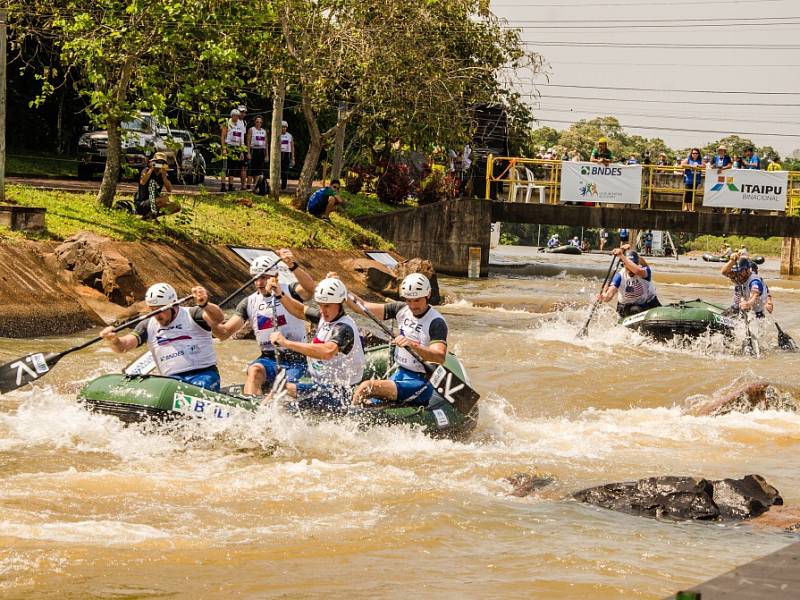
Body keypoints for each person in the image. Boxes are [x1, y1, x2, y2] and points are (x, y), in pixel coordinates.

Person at [211, 251, 315, 395]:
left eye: (264, 278)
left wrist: (292, 265)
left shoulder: (291, 290)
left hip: (296, 358)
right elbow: (224, 333)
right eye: (256, 278)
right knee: (254, 370)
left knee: (286, 388)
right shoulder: (248, 302)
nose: (259, 283)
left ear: (275, 277)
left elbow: (310, 289)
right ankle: (252, 408)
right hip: (268, 358)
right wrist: (209, 319)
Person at [100, 283, 224, 390]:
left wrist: (205, 305)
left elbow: (218, 318)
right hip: (172, 381)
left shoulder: (193, 314)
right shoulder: (147, 324)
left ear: (173, 305)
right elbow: (124, 346)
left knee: (198, 386)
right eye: (153, 310)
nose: (157, 315)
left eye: (161, 309)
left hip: (204, 374)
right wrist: (114, 340)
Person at [349, 274, 447, 407]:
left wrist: (412, 344)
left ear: (428, 295)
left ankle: (350, 422)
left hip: (419, 382)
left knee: (365, 387)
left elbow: (439, 357)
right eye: (409, 300)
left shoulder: (436, 322)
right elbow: (362, 306)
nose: (412, 305)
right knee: (368, 404)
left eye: (417, 300)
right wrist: (342, 291)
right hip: (400, 373)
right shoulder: (400, 309)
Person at [269, 277, 365, 411]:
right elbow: (299, 310)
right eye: (319, 305)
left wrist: (286, 343)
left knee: (285, 407)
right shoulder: (325, 318)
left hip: (341, 393)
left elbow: (327, 352)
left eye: (327, 306)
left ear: (340, 302)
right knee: (280, 388)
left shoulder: (344, 327)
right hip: (321, 385)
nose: (322, 310)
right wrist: (280, 294)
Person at [597, 248, 661, 317]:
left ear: (637, 264)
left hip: (641, 305)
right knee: (636, 309)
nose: (631, 270)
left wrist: (621, 255)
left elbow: (637, 271)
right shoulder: (620, 276)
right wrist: (604, 297)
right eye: (628, 267)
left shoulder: (644, 271)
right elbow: (610, 294)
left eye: (632, 265)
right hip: (624, 307)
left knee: (638, 309)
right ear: (624, 265)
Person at [134, 152, 180, 219]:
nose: (159, 164)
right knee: (164, 199)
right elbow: (142, 182)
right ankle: (149, 214)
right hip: (142, 203)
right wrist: (151, 169)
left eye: (162, 162)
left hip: (155, 202)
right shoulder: (146, 170)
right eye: (158, 162)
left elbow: (169, 190)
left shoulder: (163, 175)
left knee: (176, 206)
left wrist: (164, 176)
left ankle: (150, 216)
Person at [221, 108, 247, 192]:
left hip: (237, 147)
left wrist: (242, 151)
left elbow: (242, 138)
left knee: (233, 167)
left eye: (238, 116)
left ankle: (230, 185)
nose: (236, 118)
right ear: (231, 116)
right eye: (235, 116)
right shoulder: (227, 123)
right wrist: (224, 148)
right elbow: (223, 137)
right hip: (228, 146)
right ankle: (223, 185)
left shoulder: (240, 124)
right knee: (225, 167)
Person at [247, 115, 269, 195]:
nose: (258, 123)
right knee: (251, 170)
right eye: (257, 122)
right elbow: (248, 141)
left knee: (259, 171)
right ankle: (248, 187)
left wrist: (267, 155)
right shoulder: (251, 130)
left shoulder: (264, 131)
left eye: (260, 122)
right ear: (254, 122)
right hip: (253, 150)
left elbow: (266, 143)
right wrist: (248, 153)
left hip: (261, 151)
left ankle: (256, 187)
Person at [279, 120, 295, 191]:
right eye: (282, 127)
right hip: (279, 154)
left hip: (286, 154)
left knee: (285, 171)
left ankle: (283, 187)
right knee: (277, 171)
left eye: (285, 127)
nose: (283, 128)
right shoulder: (278, 135)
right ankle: (276, 185)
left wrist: (293, 157)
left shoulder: (289, 136)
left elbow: (292, 147)